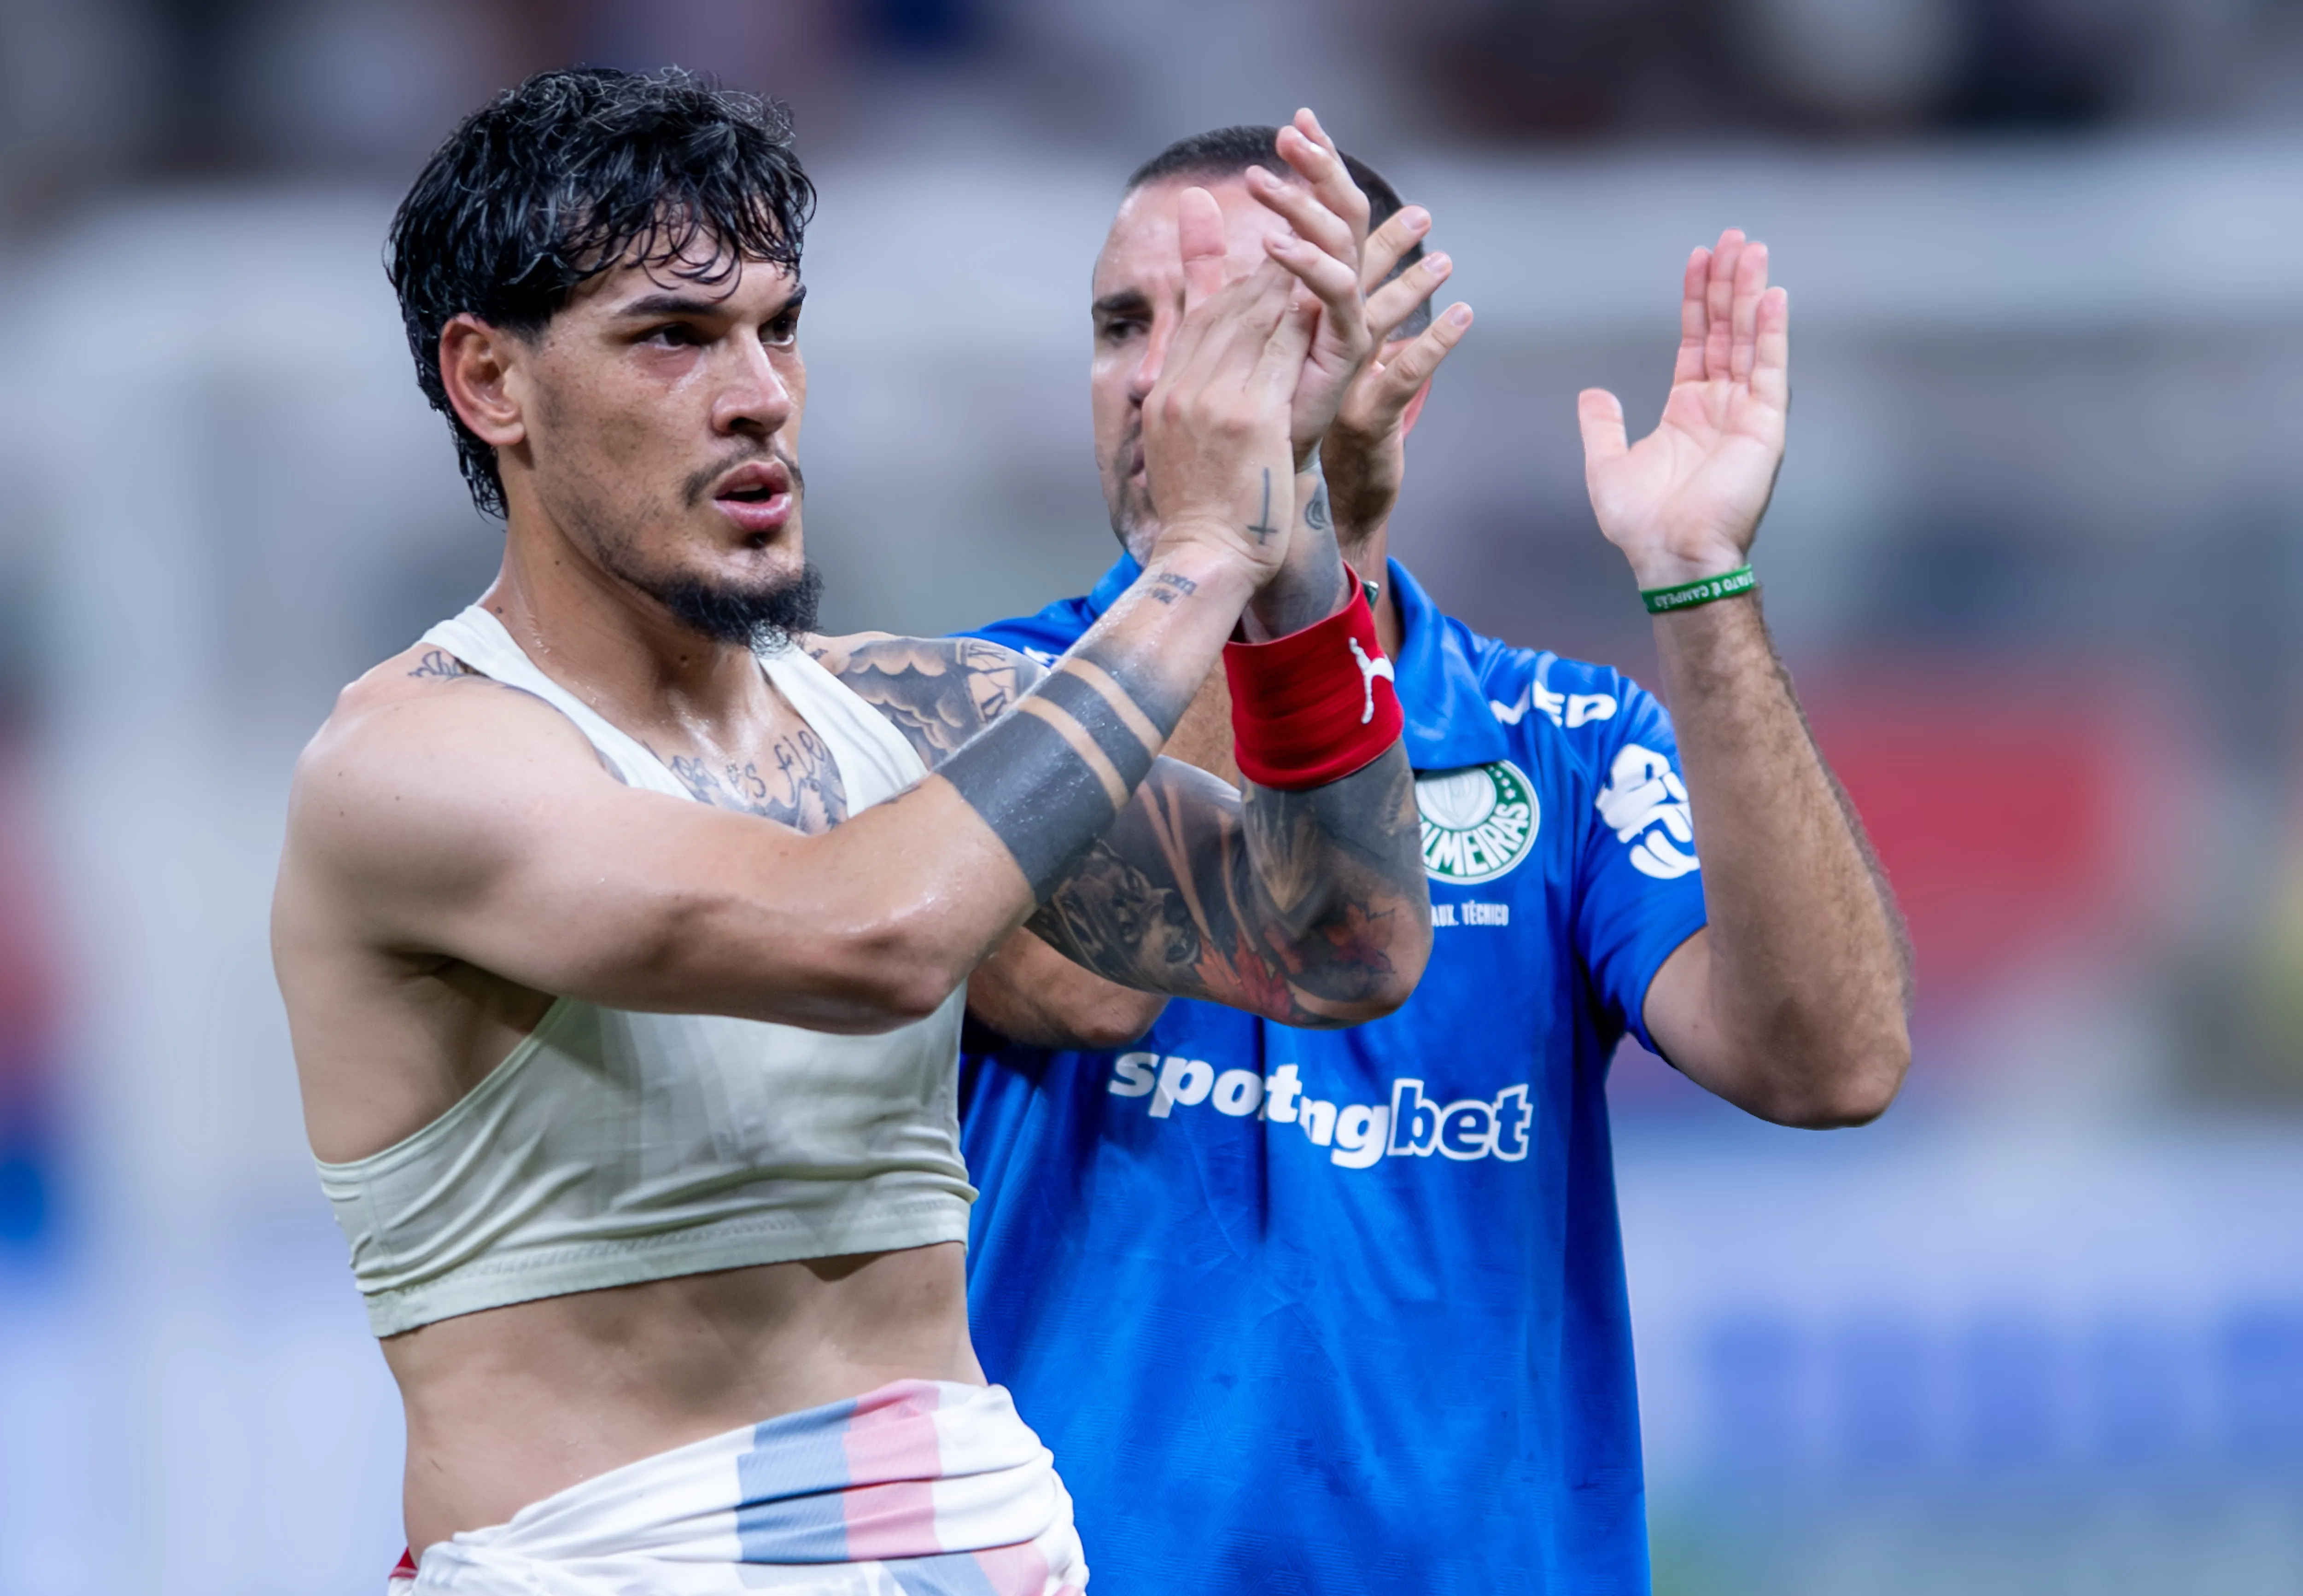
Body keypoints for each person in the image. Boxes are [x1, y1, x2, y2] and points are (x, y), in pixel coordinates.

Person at [270, 72, 1433, 1594]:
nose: (758, 393)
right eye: (674, 337)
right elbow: (872, 935)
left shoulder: (903, 712)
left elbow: (1338, 943)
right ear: (491, 382)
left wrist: (1299, 533)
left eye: (779, 327)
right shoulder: (415, 762)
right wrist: (1204, 551)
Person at [953, 125, 1915, 1594]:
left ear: (1391, 367)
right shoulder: (967, 710)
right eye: (1123, 325)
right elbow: (1091, 989)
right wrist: (1247, 541)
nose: (1165, 380)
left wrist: (1698, 576)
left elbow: (1832, 1065)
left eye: (1238, 324)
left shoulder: (1565, 743)